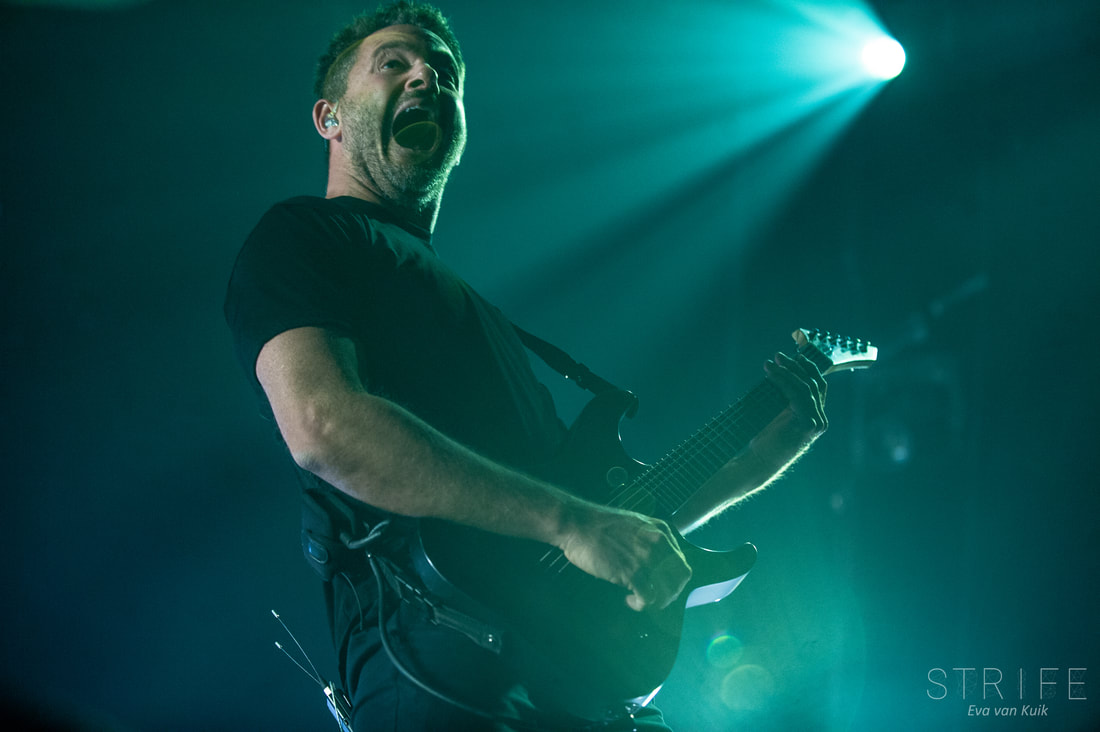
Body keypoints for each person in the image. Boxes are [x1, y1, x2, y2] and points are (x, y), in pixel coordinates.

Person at [224, 2, 828, 730]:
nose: (427, 78)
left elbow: (592, 532)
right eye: (394, 64)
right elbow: (325, 428)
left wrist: (754, 463)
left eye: (444, 73)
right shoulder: (305, 236)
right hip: (445, 672)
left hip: (572, 685)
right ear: (330, 118)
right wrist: (570, 521)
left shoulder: (475, 315)